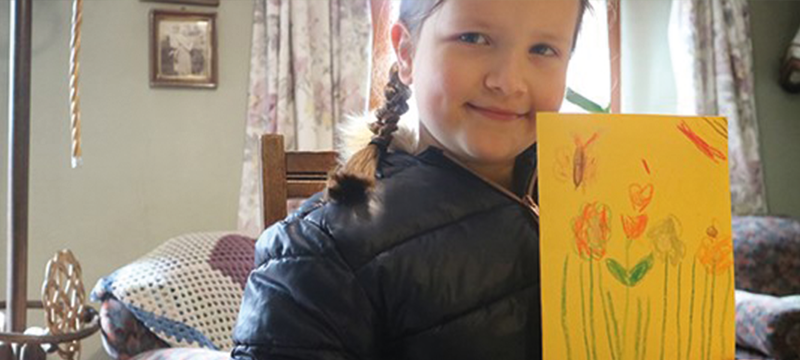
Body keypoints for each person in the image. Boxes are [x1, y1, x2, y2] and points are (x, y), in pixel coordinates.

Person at [232, 0, 589, 359]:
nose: (508, 82)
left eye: (543, 49)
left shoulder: (600, 197)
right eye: (474, 38)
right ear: (406, 52)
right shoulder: (318, 253)